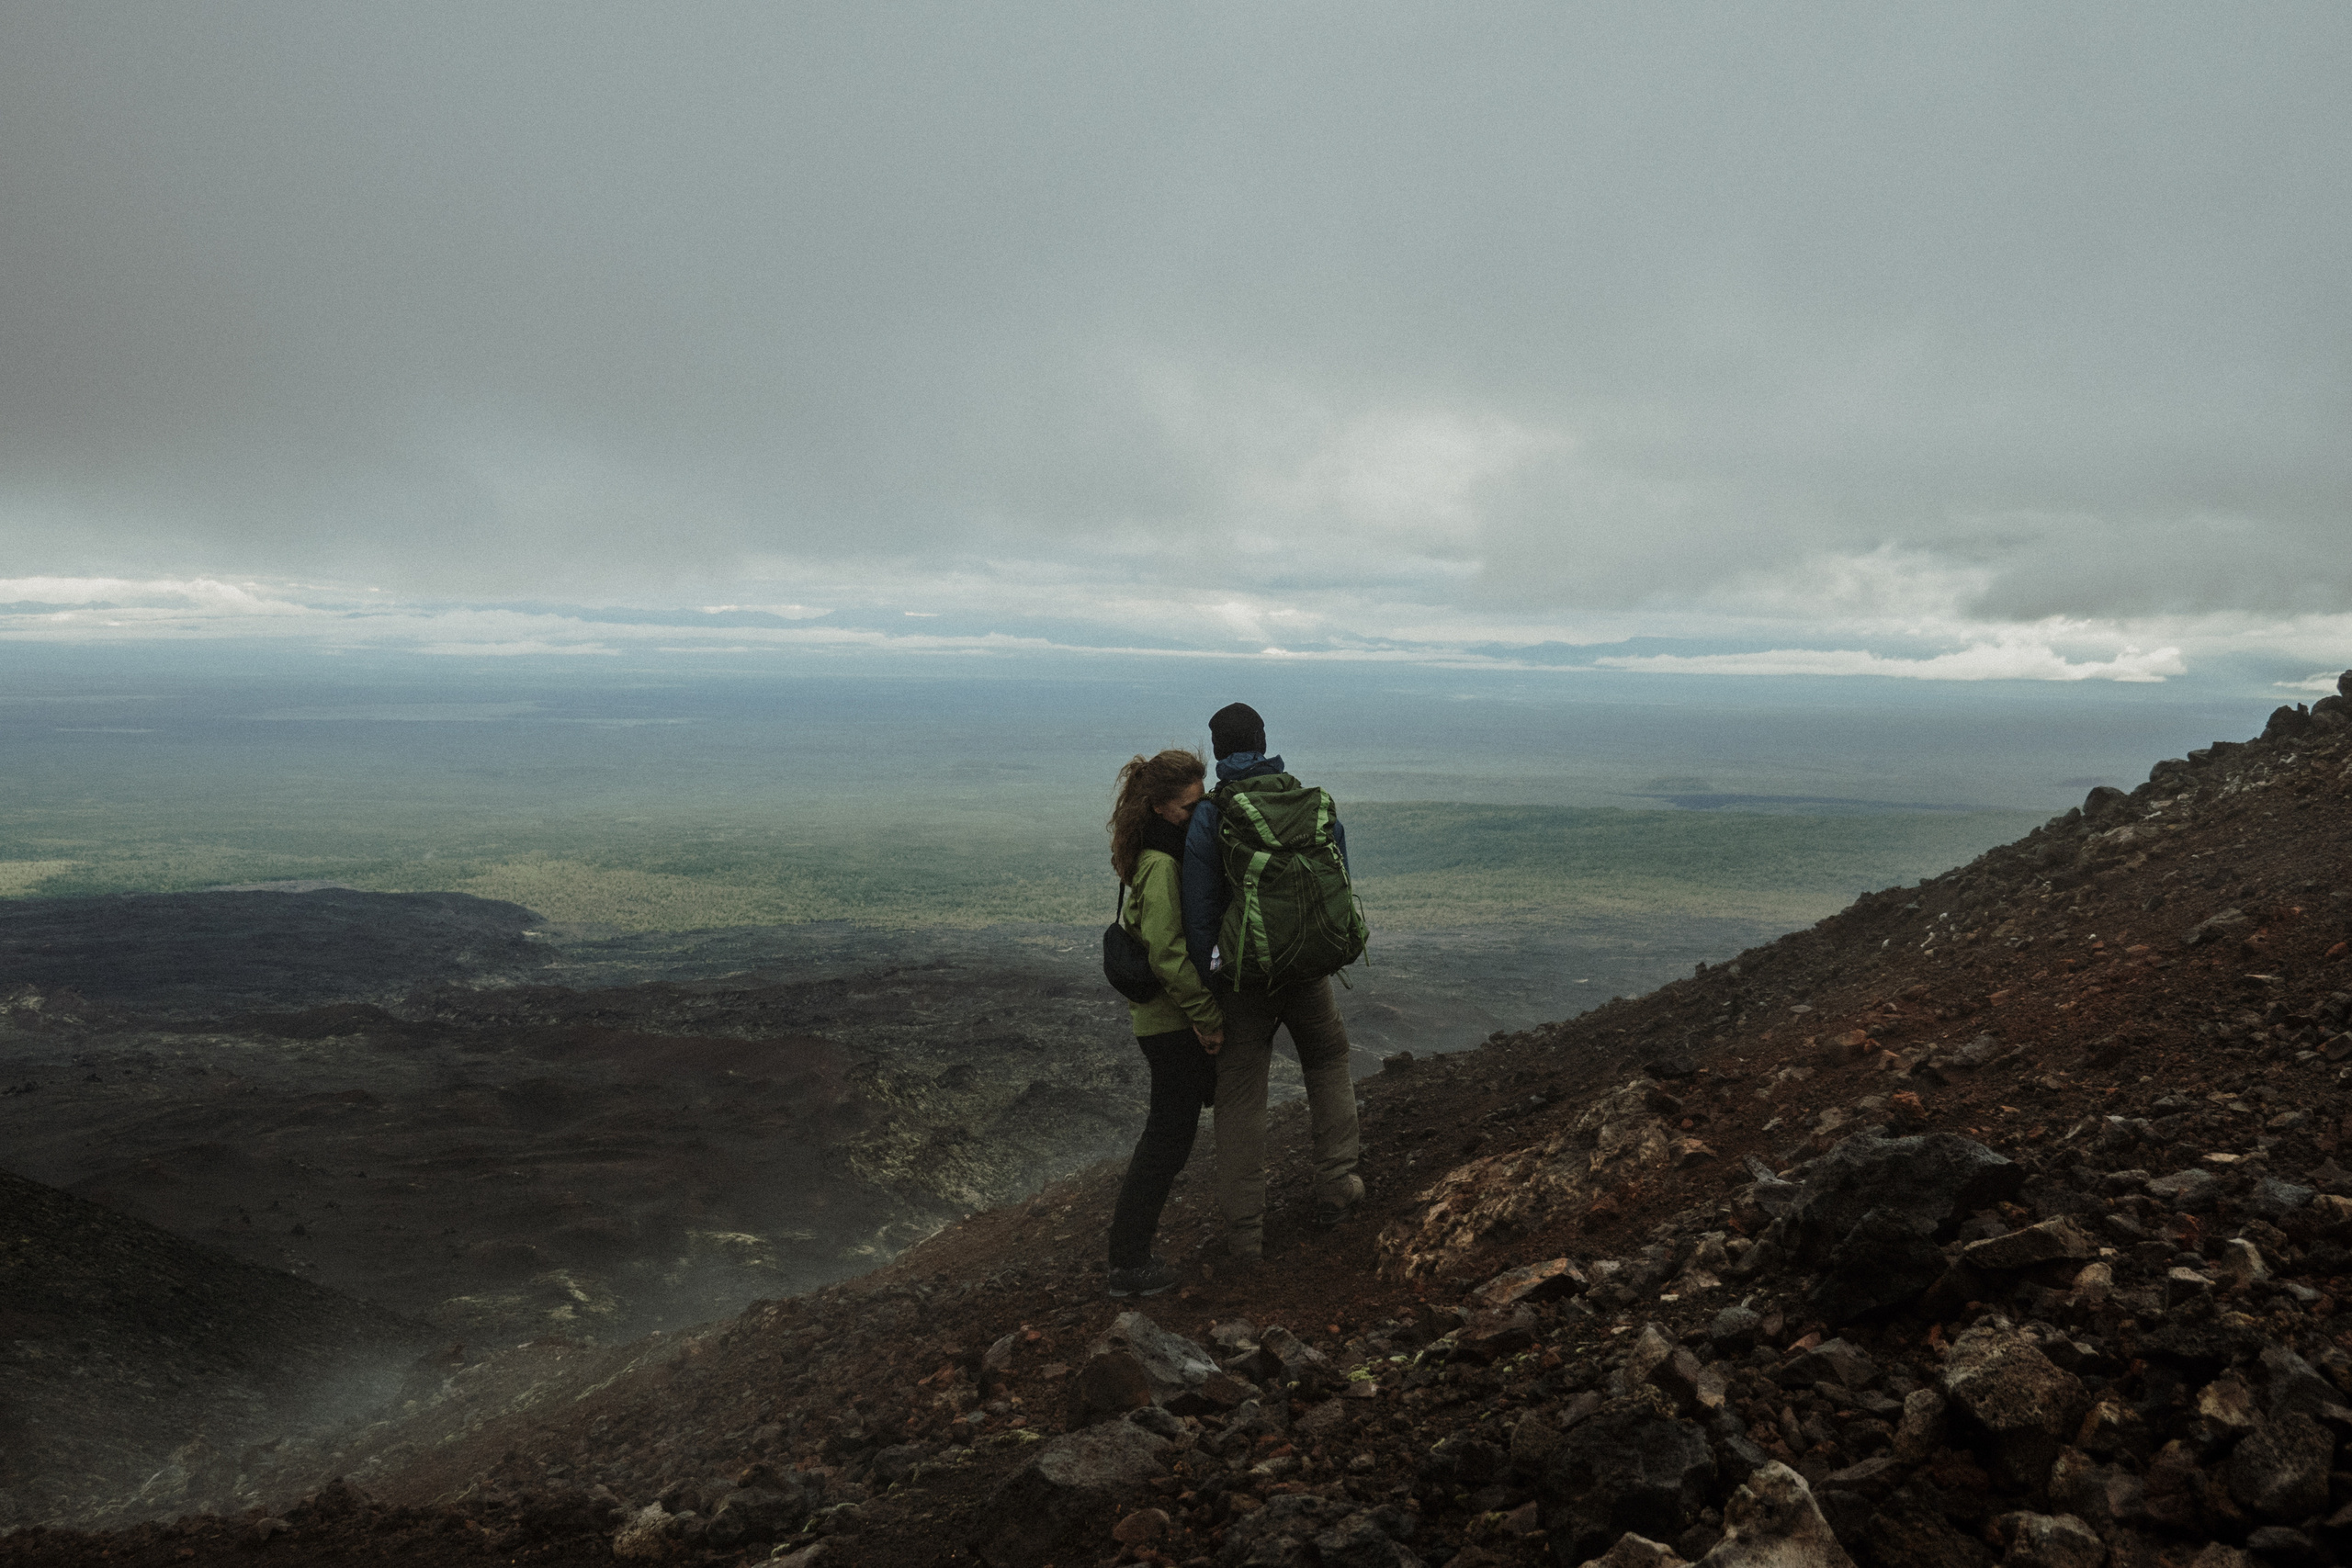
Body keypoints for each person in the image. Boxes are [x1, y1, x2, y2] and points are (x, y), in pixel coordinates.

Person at [1181, 703, 1363, 1261]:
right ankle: (1338, 1188)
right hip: (1308, 973)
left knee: (1240, 1099)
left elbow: (1200, 910)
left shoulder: (1213, 816)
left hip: (1243, 981)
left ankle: (1246, 1236)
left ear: (1216, 753)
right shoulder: (1311, 804)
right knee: (1328, 1064)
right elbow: (1340, 882)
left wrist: (1211, 984)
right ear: (1263, 742)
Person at [1102, 748, 1227, 1298]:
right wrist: (1207, 1019)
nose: (1196, 817)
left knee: (1170, 1137)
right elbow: (1168, 955)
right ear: (1157, 808)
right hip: (1169, 1025)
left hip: (1167, 1022)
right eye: (1187, 807)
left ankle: (1132, 1258)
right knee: (1165, 1142)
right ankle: (1128, 1264)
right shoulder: (1162, 865)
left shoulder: (1157, 853)